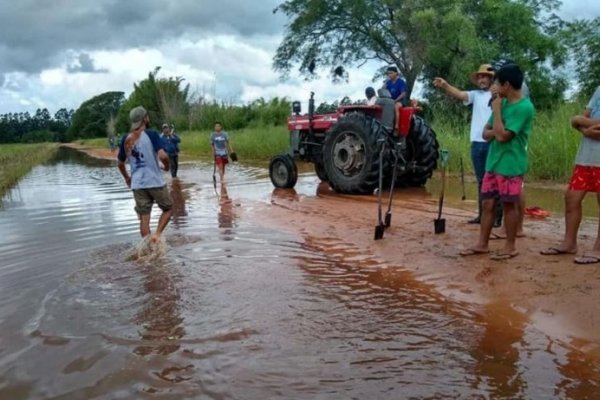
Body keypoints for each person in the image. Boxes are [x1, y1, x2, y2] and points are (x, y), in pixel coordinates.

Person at [460, 64, 535, 260]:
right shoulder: (502, 104)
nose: (494, 86)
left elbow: (501, 137)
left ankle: (510, 247)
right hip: (493, 163)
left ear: (507, 85)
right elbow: (486, 134)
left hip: (511, 164)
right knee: (487, 204)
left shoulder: (524, 107)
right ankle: (482, 244)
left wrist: (497, 113)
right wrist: (498, 128)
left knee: (510, 206)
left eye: (497, 83)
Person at [433, 64, 501, 226]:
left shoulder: (499, 96)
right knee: (481, 180)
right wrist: (445, 85)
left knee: (495, 179)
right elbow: (460, 94)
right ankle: (482, 215)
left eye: (485, 76)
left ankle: (497, 217)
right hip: (477, 143)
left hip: (493, 142)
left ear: (491, 79)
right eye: (479, 77)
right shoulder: (475, 95)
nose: (481, 79)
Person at [541, 86, 600, 263]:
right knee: (571, 198)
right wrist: (585, 129)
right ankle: (569, 243)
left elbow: (579, 119)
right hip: (586, 157)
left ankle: (598, 248)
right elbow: (582, 118)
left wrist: (578, 121)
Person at [117, 106, 173, 242]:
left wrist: (127, 178)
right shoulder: (152, 134)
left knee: (144, 217)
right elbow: (163, 156)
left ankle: (147, 246)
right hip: (154, 181)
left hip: (137, 184)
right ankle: (157, 235)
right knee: (168, 208)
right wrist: (166, 167)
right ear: (144, 119)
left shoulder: (126, 138)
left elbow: (120, 163)